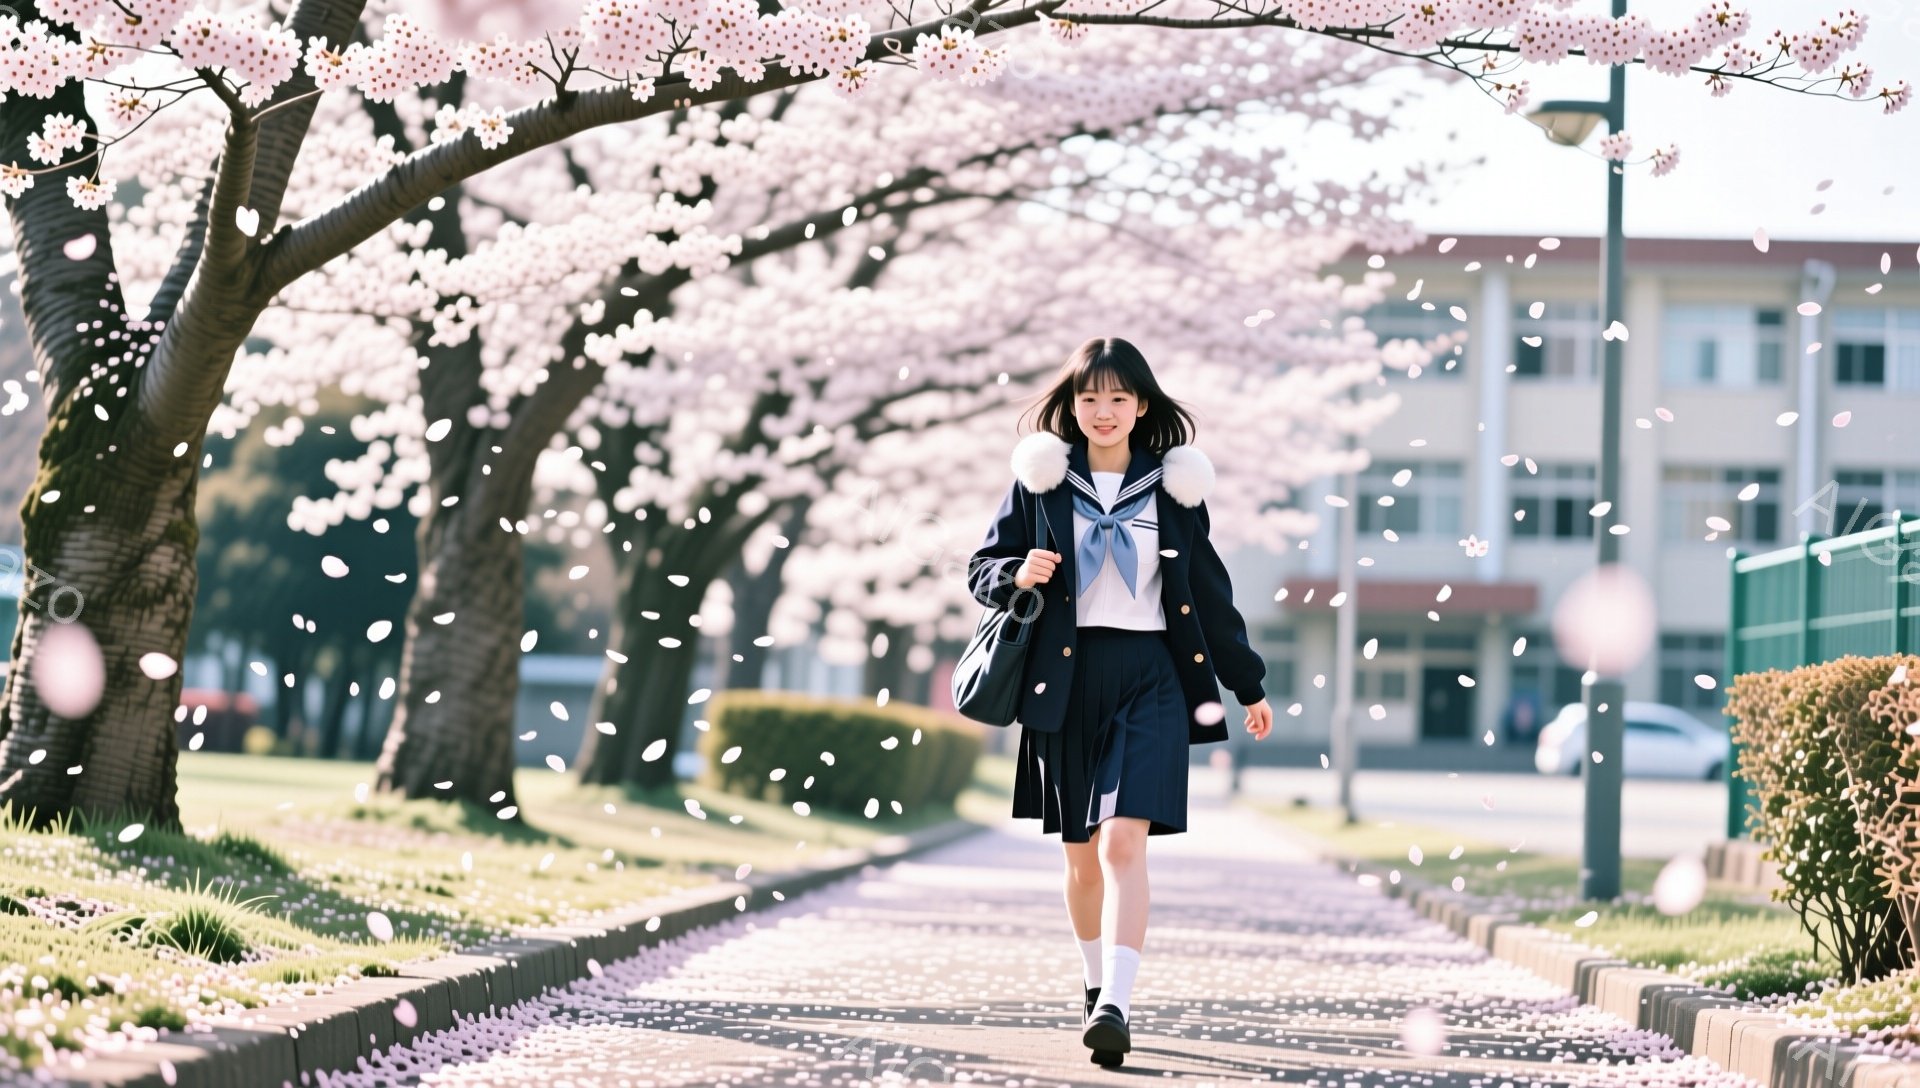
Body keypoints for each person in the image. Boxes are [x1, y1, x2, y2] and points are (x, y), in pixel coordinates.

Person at [965, 336, 1274, 1068]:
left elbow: (1209, 596)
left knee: (1122, 842)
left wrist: (1248, 684)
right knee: (1080, 858)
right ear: (1071, 407)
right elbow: (982, 570)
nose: (1104, 411)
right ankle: (1094, 979)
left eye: (1119, 398)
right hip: (1065, 680)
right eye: (1089, 398)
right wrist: (1019, 572)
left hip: (1151, 677)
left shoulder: (1173, 491)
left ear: (1142, 406)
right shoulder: (1041, 484)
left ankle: (1117, 1005)